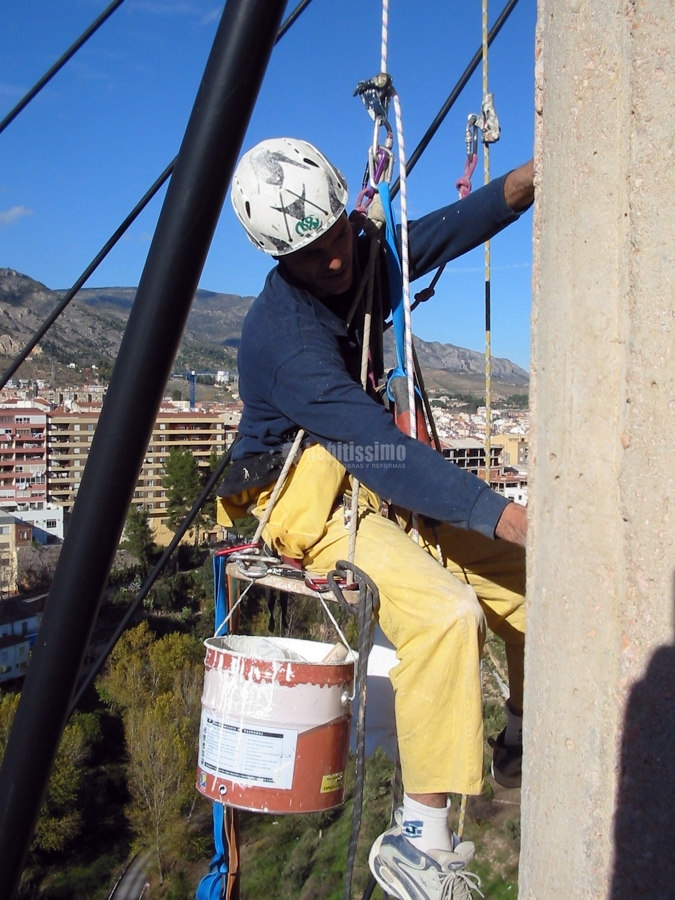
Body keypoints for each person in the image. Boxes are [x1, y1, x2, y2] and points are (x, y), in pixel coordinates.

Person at [218, 137, 533, 900]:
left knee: (525, 580)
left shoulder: (361, 249)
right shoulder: (284, 337)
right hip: (297, 494)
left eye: (334, 240)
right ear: (277, 261)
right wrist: (505, 514)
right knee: (446, 613)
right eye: (309, 257)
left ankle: (524, 732)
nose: (332, 263)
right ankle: (418, 839)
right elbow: (376, 449)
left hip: (358, 474)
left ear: (345, 217)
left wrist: (528, 181)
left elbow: (435, 234)